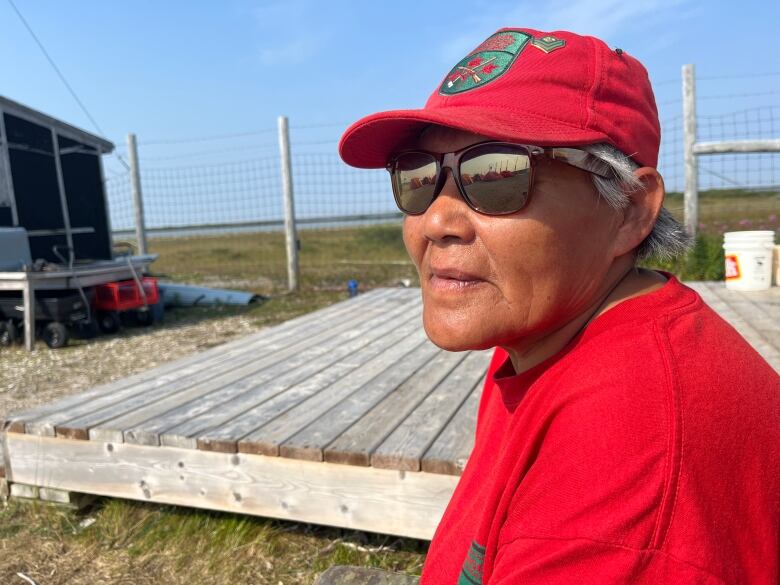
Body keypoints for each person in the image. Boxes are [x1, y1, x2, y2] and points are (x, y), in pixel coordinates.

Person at [338, 27, 780, 584]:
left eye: (496, 175)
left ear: (631, 210)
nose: (435, 221)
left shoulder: (626, 467)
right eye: (416, 177)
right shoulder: (544, 340)